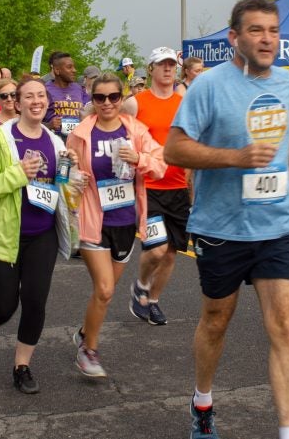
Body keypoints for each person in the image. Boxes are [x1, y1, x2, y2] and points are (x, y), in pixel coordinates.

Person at [164, 0, 289, 439]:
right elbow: (174, 149)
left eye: (273, 30)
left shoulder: (287, 82)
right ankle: (203, 400)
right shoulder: (209, 86)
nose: (267, 39)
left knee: (285, 325)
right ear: (234, 38)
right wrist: (235, 157)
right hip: (221, 227)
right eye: (256, 30)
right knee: (216, 320)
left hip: (277, 223)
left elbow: (284, 133)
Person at [0, 78, 74, 395]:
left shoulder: (55, 142)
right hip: (1, 234)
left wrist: (73, 175)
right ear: (17, 103)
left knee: (35, 301)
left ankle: (21, 366)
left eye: (41, 95)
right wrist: (17, 174)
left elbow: (62, 185)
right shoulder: (1, 138)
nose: (36, 101)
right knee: (4, 305)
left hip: (43, 234)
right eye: (29, 96)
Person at [67, 73, 166, 377]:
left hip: (125, 220)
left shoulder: (136, 130)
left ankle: (86, 332)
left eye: (113, 97)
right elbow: (66, 171)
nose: (107, 103)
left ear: (121, 99)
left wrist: (139, 158)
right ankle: (89, 351)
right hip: (93, 219)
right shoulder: (81, 133)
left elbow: (160, 166)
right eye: (100, 98)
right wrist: (72, 178)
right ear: (92, 100)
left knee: (104, 293)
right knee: (106, 290)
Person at [123, 47, 189, 327]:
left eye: (171, 65)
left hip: (178, 186)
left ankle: (152, 300)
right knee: (157, 249)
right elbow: (124, 142)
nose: (168, 69)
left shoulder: (183, 101)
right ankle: (140, 285)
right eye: (161, 65)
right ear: (150, 69)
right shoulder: (135, 103)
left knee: (172, 251)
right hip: (148, 186)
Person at [43, 52, 87, 140]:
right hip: (55, 138)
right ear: (57, 70)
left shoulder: (79, 89)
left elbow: (89, 110)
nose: (74, 70)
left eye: (74, 67)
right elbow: (32, 121)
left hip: (78, 138)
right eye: (69, 67)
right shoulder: (44, 90)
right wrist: (49, 125)